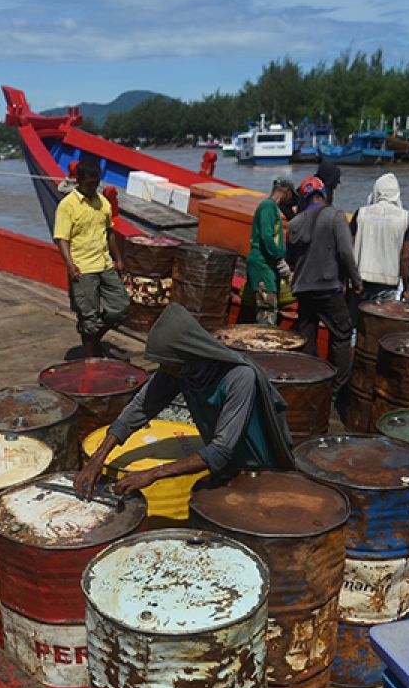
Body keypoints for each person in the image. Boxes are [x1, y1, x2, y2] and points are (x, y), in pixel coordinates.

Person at [75, 304, 293, 497]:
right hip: (223, 468)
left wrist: (153, 473)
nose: (163, 370)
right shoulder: (179, 370)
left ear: (187, 357)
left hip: (257, 469)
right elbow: (139, 408)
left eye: (167, 364)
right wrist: (98, 458)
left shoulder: (239, 377)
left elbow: (221, 450)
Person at [286, 176, 362, 395]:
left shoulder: (294, 223)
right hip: (329, 288)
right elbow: (346, 253)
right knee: (341, 334)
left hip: (302, 290)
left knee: (307, 335)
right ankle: (337, 388)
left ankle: (312, 380)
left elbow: (290, 258)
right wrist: (356, 280)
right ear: (323, 194)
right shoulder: (336, 216)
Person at [53, 158, 129, 358]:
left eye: (97, 183)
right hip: (82, 268)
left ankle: (93, 340)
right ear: (79, 181)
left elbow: (109, 233)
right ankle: (91, 358)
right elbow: (62, 238)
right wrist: (70, 265)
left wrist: (118, 259)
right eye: (89, 183)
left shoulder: (102, 202)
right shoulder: (67, 205)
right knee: (88, 316)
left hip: (104, 264)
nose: (94, 187)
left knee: (120, 307)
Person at [349, 172, 409, 320]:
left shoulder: (361, 214)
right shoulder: (406, 218)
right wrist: (406, 288)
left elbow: (348, 248)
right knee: (381, 325)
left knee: (357, 324)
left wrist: (346, 279)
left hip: (360, 281)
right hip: (388, 283)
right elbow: (405, 257)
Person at [243, 178, 295, 326]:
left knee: (269, 307)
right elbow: (267, 236)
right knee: (267, 310)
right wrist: (279, 259)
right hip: (263, 264)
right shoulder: (268, 207)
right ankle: (263, 345)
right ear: (286, 192)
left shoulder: (272, 209)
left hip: (268, 265)